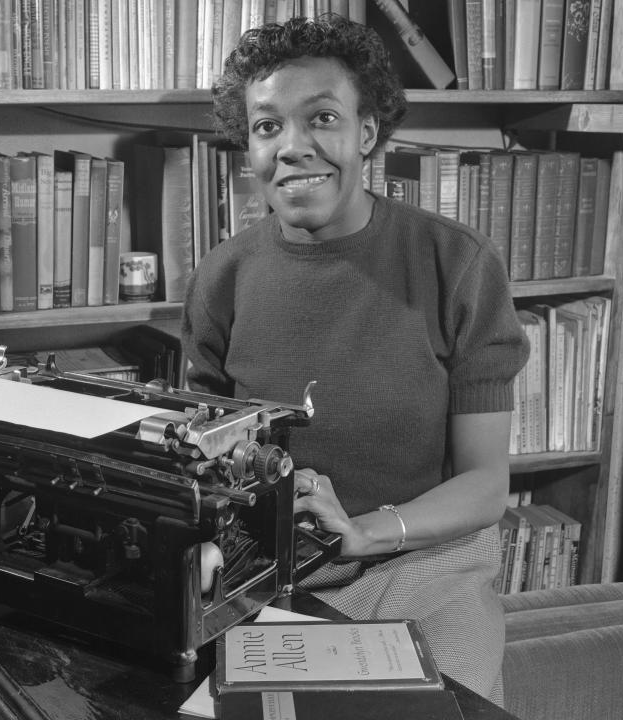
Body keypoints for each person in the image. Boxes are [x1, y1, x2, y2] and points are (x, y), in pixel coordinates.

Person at [181, 15, 530, 704]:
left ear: (366, 132)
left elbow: (486, 484)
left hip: (426, 566)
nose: (293, 147)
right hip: (267, 578)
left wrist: (365, 532)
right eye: (267, 126)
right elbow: (202, 462)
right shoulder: (222, 276)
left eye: (323, 118)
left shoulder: (457, 264)